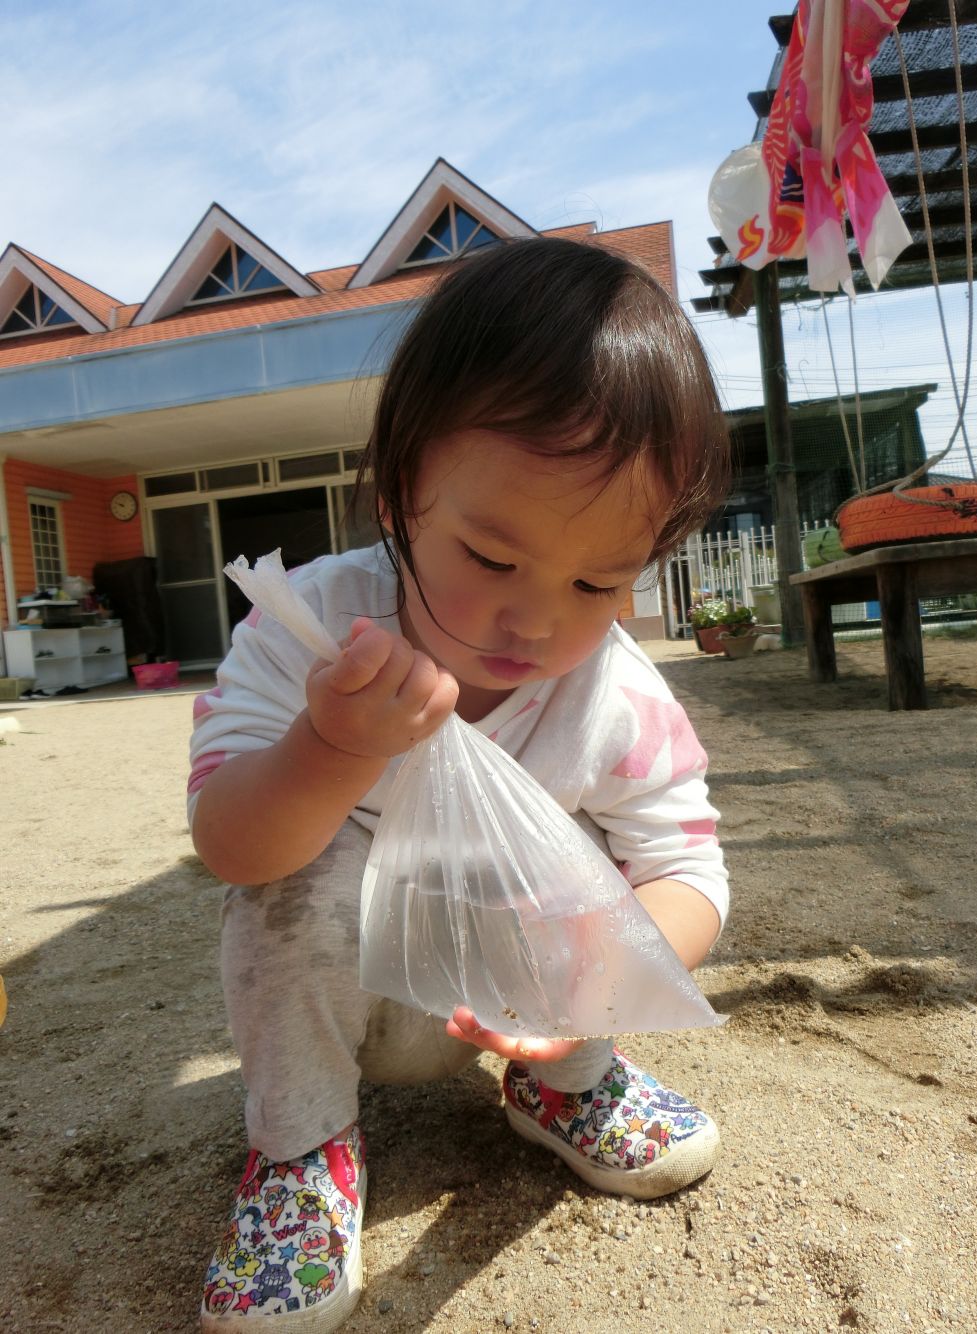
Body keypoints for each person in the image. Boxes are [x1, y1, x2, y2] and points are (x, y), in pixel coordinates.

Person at [189, 236, 732, 1329]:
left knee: (580, 870)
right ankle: (300, 1150)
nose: (534, 618)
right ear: (401, 493)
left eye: (595, 579)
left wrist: (601, 969)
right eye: (490, 556)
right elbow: (231, 845)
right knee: (304, 870)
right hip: (354, 998)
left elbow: (687, 863)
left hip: (515, 1000)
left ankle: (568, 1082)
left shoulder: (612, 692)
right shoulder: (306, 629)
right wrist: (330, 745)